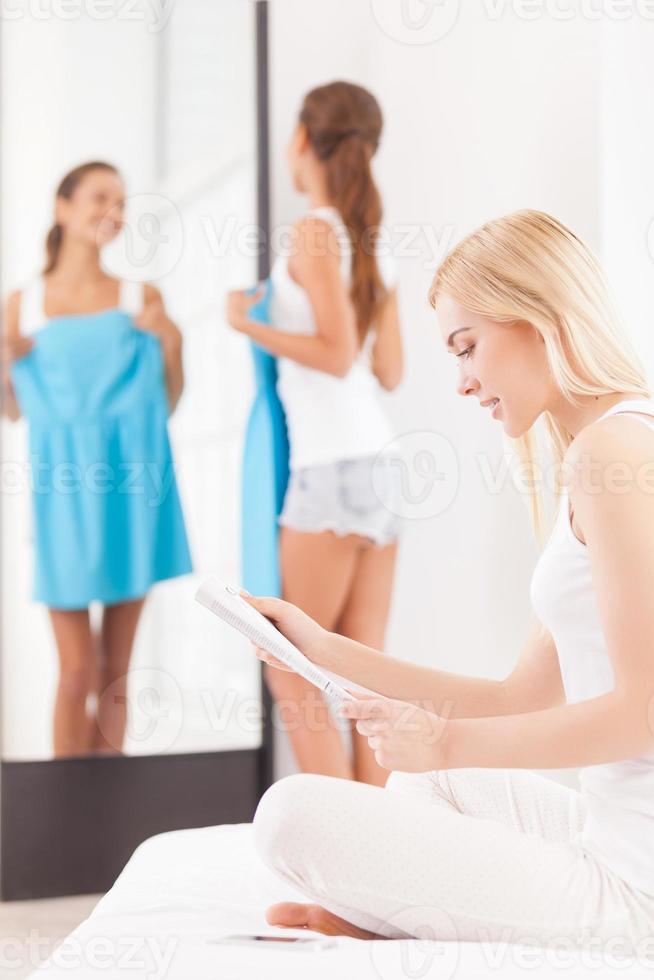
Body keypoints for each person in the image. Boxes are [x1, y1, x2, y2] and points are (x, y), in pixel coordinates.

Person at [243, 211, 654, 955]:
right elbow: (515, 698)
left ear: (536, 318)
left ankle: (401, 916)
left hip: (640, 886)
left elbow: (644, 710)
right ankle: (407, 916)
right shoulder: (610, 447)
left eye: (468, 349)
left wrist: (442, 739)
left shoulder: (614, 454)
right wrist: (321, 648)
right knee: (430, 782)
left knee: (289, 816)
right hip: (613, 837)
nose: (463, 383)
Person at [226, 82, 403, 785]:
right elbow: (388, 369)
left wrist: (248, 324)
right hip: (382, 466)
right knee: (366, 671)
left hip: (331, 465)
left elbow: (332, 354)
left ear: (302, 138)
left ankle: (339, 851)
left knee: (291, 668)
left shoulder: (313, 231)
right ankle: (376, 860)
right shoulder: (367, 238)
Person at [1, 161, 192, 758]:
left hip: (132, 489)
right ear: (63, 206)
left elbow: (169, 399)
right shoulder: (22, 304)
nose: (114, 211)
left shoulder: (142, 296)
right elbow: (11, 411)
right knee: (76, 671)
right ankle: (68, 809)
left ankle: (107, 806)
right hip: (63, 496)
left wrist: (172, 340)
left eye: (121, 201)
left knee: (115, 672)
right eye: (100, 197)